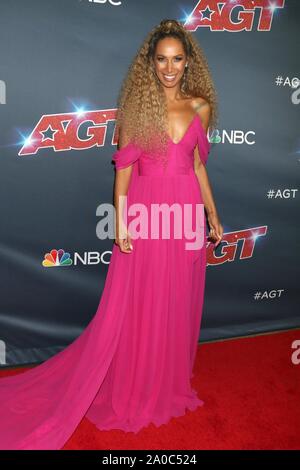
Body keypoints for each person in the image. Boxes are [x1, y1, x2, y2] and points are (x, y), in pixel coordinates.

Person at [0, 19, 223, 450]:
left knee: (175, 299)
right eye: (162, 59)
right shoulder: (137, 108)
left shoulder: (201, 107)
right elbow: (122, 175)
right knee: (142, 301)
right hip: (146, 214)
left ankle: (166, 380)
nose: (169, 68)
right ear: (150, 63)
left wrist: (212, 214)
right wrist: (121, 224)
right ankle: (138, 384)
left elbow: (197, 166)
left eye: (178, 59)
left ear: (189, 61)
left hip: (185, 215)